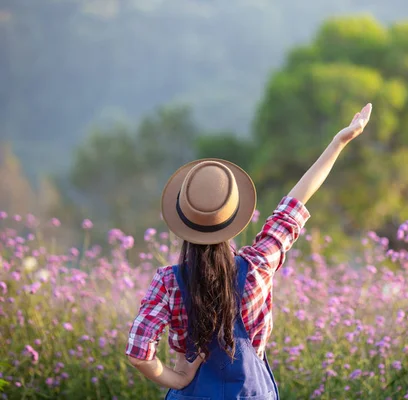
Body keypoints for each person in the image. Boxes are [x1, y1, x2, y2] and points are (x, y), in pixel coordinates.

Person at [125, 103, 373, 399]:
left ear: (183, 223)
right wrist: (338, 142)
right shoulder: (257, 266)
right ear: (233, 218)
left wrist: (177, 379)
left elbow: (139, 353)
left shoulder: (168, 282)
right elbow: (294, 205)